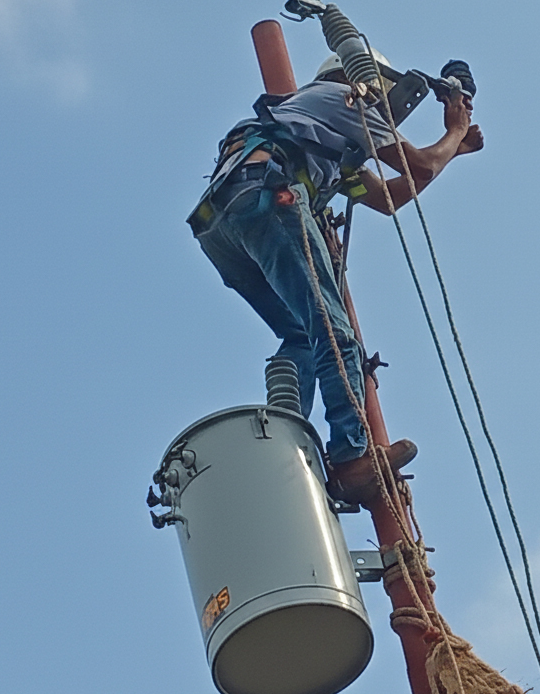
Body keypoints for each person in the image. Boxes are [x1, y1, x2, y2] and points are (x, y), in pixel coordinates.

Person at [189, 52, 483, 503]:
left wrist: (453, 152)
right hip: (268, 198)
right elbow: (418, 165)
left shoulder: (319, 132)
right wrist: (455, 130)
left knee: (304, 337)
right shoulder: (346, 99)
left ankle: (284, 435)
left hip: (225, 227)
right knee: (333, 329)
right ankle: (350, 459)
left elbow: (388, 198)